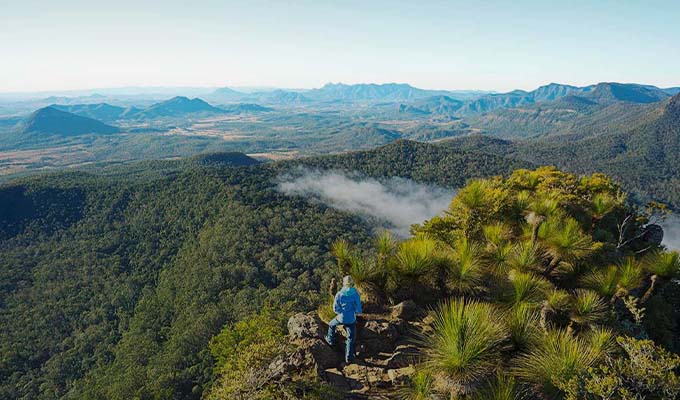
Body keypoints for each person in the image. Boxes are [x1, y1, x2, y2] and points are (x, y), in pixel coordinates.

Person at [325, 275, 362, 363]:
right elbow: (358, 309)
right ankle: (349, 357)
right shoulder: (355, 294)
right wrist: (352, 312)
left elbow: (335, 309)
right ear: (352, 283)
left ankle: (330, 341)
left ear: (343, 283)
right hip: (351, 319)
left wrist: (342, 312)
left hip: (341, 318)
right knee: (350, 338)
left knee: (331, 324)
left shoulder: (339, 294)